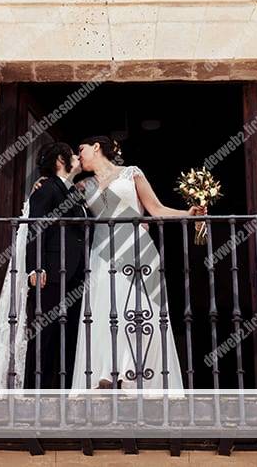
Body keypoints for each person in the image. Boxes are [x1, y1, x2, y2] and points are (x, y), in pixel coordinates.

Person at [72, 135, 206, 390]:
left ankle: (132, 373)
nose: (78, 155)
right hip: (102, 255)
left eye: (81, 149)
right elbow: (59, 193)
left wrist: (187, 214)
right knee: (104, 312)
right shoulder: (83, 185)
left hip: (135, 250)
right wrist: (60, 176)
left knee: (141, 311)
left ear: (97, 147)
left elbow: (156, 209)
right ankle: (106, 373)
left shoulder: (131, 173)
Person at [22, 142, 89, 389]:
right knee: (44, 336)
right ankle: (33, 394)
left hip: (75, 274)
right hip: (51, 272)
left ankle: (59, 392)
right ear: (61, 160)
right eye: (73, 154)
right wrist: (35, 266)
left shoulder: (73, 191)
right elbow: (35, 228)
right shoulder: (47, 189)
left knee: (68, 335)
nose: (77, 158)